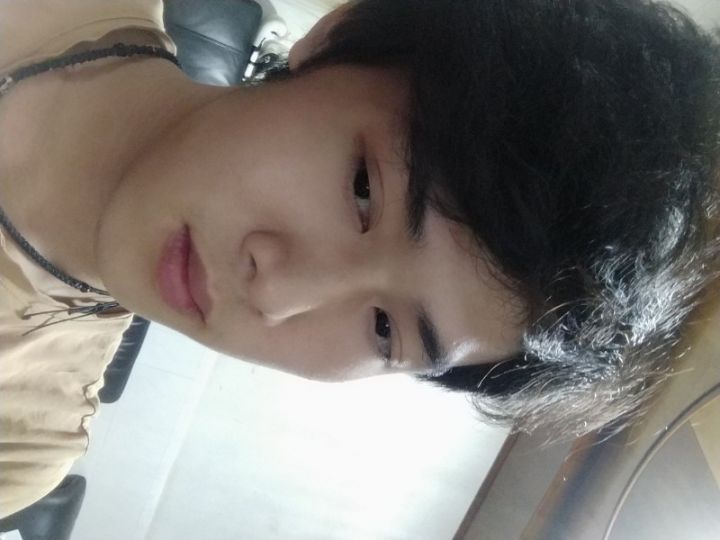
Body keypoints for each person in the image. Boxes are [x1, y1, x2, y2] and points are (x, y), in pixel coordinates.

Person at [0, 0, 718, 518]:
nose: (279, 292)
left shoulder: (22, 445)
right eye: (363, 189)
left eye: (384, 329)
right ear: (337, 34)